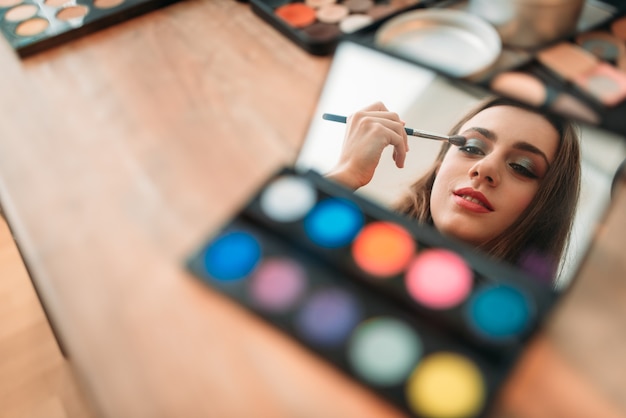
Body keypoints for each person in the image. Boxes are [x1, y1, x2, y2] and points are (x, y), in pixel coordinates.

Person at [326, 97, 581, 280]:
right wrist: (348, 173)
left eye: (521, 167)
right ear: (440, 163)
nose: (484, 169)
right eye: (471, 148)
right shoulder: (356, 239)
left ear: (546, 204)